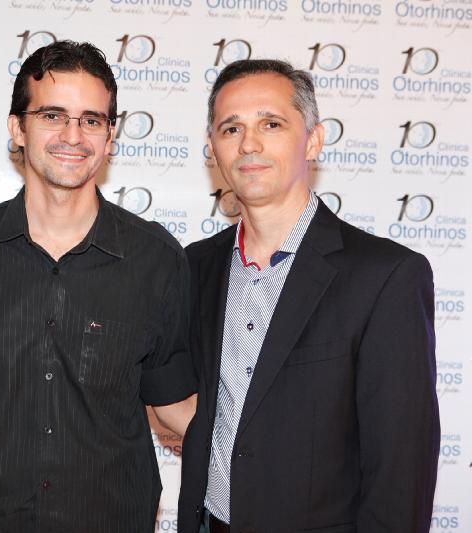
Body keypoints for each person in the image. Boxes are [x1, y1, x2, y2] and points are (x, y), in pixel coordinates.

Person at [0, 40, 198, 532]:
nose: (72, 136)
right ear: (18, 128)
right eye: (52, 115)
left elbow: (175, 403)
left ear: (110, 136)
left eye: (91, 120)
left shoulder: (157, 259)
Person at [177, 59, 440, 533]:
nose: (249, 143)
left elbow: (401, 472)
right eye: (231, 128)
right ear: (213, 148)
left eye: (271, 124)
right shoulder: (196, 266)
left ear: (314, 141)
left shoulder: (386, 276)